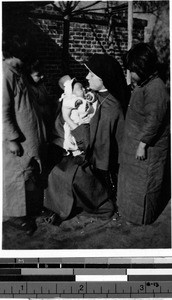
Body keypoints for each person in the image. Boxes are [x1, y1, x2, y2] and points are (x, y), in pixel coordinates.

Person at [43, 54, 127, 224]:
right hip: (86, 151)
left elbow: (93, 146)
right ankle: (58, 207)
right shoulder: (100, 96)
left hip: (100, 164)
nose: (87, 77)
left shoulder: (111, 108)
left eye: (91, 74)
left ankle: (91, 204)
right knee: (56, 171)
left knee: (65, 174)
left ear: (103, 79)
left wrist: (67, 119)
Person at [117, 42, 170, 225]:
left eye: (132, 70)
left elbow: (154, 120)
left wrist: (142, 144)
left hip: (147, 147)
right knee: (132, 183)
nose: (130, 74)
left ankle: (141, 218)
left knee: (145, 184)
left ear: (143, 68)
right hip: (135, 143)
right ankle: (129, 213)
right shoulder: (144, 83)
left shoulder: (156, 88)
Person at [3, 34, 47, 235]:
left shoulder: (17, 71)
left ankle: (27, 210)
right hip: (16, 139)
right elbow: (2, 110)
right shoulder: (5, 73)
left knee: (27, 173)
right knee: (16, 176)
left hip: (27, 137)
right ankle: (14, 216)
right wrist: (12, 139)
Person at [57, 75, 95, 155]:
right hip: (74, 122)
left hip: (84, 120)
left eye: (83, 87)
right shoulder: (69, 98)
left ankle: (81, 149)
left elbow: (91, 97)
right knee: (70, 138)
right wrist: (75, 102)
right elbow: (67, 103)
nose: (84, 89)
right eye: (80, 89)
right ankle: (73, 150)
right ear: (72, 92)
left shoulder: (84, 97)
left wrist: (91, 97)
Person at [27, 59, 52, 142]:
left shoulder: (41, 86)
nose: (42, 77)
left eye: (42, 74)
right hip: (39, 120)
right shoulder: (30, 89)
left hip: (47, 118)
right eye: (38, 75)